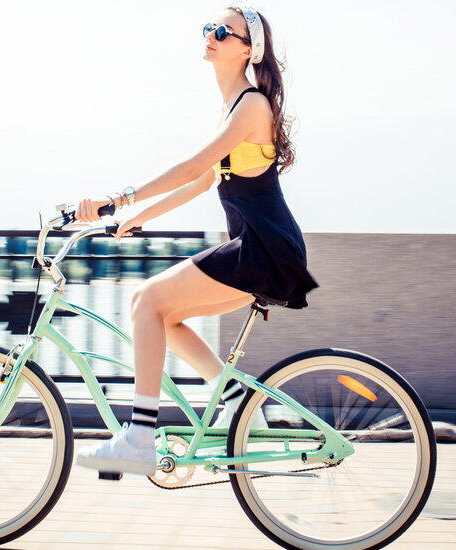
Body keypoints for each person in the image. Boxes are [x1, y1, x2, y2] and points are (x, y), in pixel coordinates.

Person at [72, 5, 317, 476]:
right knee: (162, 317)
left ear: (248, 50)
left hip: (265, 249)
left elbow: (189, 167)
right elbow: (200, 183)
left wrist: (118, 197)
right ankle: (234, 397)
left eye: (225, 32)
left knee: (146, 301)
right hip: (264, 248)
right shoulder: (234, 108)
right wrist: (136, 217)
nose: (213, 35)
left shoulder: (251, 105)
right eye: (210, 28)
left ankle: (140, 436)